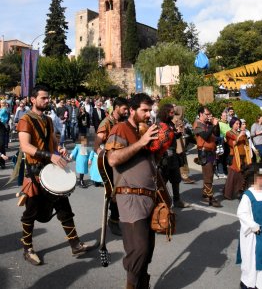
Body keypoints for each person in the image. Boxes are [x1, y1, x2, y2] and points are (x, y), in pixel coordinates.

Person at [17, 84, 89, 266]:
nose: (47, 100)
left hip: (51, 171)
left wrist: (59, 150)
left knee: (64, 208)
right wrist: (50, 155)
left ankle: (75, 244)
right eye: (43, 98)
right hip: (34, 174)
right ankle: (27, 248)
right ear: (33, 99)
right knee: (30, 213)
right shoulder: (25, 119)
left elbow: (53, 143)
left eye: (48, 97)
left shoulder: (49, 120)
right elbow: (25, 146)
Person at [106, 93, 159, 289]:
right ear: (132, 109)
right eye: (144, 110)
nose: (148, 114)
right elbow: (112, 159)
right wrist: (141, 142)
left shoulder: (145, 130)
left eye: (150, 110)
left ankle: (143, 285)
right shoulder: (121, 128)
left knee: (148, 250)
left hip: (150, 197)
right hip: (129, 197)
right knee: (138, 249)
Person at [95, 97, 129, 236]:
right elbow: (96, 145)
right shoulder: (106, 123)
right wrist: (105, 158)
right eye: (124, 109)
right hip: (111, 164)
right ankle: (113, 221)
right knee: (115, 193)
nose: (126, 111)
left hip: (123, 162)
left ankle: (122, 217)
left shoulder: (123, 122)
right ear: (116, 108)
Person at [157, 104, 191, 208]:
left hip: (173, 155)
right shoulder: (160, 124)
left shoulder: (170, 123)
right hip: (164, 156)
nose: (173, 114)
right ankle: (160, 202)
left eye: (173, 112)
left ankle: (177, 200)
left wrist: (178, 133)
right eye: (171, 112)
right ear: (166, 112)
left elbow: (172, 135)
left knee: (176, 179)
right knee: (162, 180)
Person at [193, 106, 222, 207]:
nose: (209, 116)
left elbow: (217, 133)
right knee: (208, 174)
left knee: (211, 172)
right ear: (201, 114)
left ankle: (205, 193)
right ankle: (210, 197)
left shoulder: (208, 124)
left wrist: (216, 125)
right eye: (207, 114)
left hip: (212, 152)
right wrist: (212, 126)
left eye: (209, 114)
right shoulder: (197, 124)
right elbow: (205, 136)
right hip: (204, 152)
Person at [223, 117, 252, 200]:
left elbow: (246, 143)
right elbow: (233, 143)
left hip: (243, 156)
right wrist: (239, 135)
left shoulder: (241, 133)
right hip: (234, 156)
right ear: (232, 124)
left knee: (243, 175)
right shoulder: (229, 133)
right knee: (233, 175)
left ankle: (241, 192)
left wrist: (244, 135)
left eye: (239, 124)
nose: (238, 125)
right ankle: (227, 194)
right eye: (236, 123)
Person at [172, 105, 195, 184]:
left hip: (177, 142)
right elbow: (181, 132)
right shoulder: (178, 120)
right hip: (179, 142)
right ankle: (184, 176)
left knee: (179, 159)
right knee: (182, 159)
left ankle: (180, 175)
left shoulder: (174, 118)